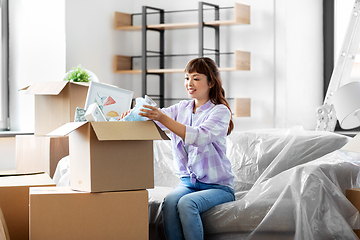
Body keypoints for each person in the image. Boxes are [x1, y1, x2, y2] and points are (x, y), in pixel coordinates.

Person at [123, 57, 235, 240]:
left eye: (196, 78)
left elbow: (198, 136)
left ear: (211, 82)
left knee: (186, 204)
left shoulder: (220, 111)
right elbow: (155, 116)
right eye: (186, 78)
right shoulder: (182, 108)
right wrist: (135, 113)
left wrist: (160, 117)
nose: (189, 83)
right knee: (169, 203)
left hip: (218, 187)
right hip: (188, 183)